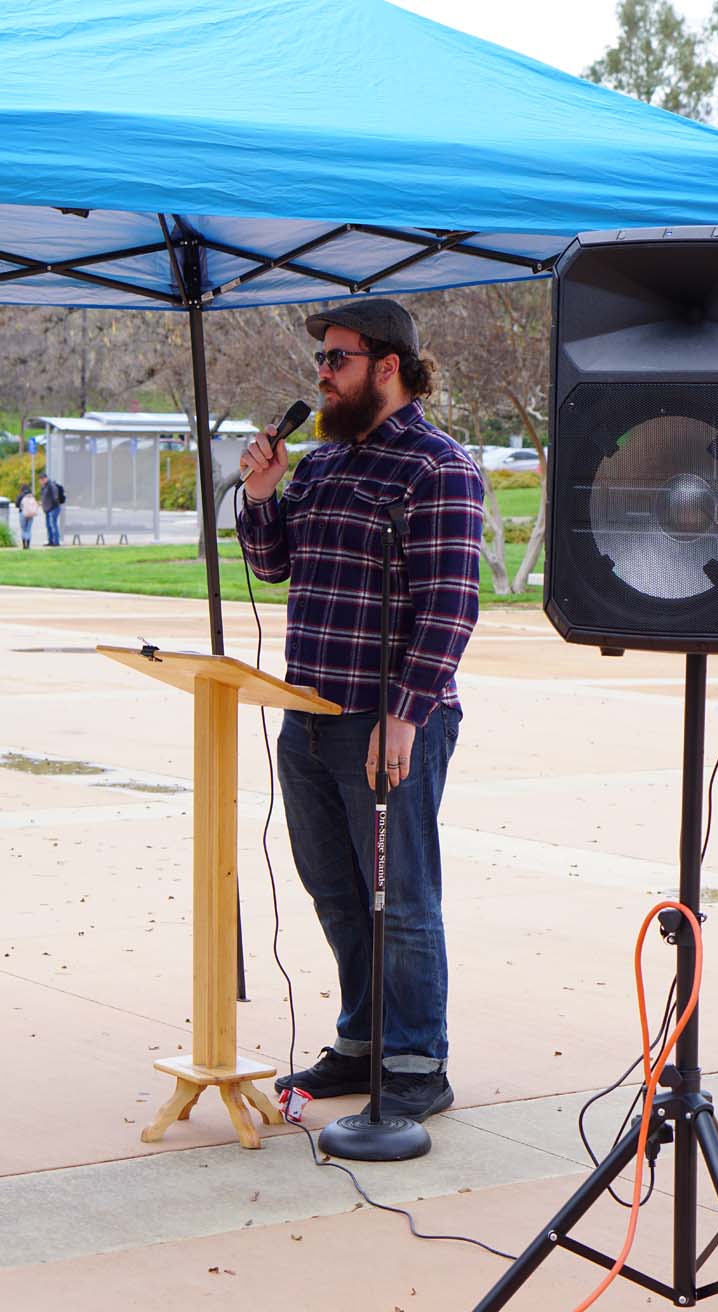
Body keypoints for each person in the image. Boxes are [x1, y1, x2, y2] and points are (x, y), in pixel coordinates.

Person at [238, 298, 484, 1122]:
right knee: (338, 891)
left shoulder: (437, 467)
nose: (322, 376)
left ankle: (418, 1060)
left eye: (336, 360)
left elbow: (450, 607)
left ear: (388, 366)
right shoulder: (327, 463)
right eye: (321, 363)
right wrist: (264, 495)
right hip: (307, 716)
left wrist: (405, 716)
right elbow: (275, 567)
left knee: (402, 896)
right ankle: (362, 1038)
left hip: (386, 719)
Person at [39, 473, 62, 546]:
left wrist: (52, 505)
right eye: (40, 479)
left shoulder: (51, 485)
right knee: (48, 526)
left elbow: (55, 497)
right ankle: (51, 541)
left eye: (43, 479)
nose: (41, 481)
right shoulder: (44, 487)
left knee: (53, 525)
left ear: (46, 478)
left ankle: (56, 541)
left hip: (53, 508)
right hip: (47, 510)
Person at [15, 483, 38, 549]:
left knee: (23, 529)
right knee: (28, 529)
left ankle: (24, 545)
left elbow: (16, 504)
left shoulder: (21, 495)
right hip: (31, 514)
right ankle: (28, 545)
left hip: (22, 513)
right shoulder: (31, 495)